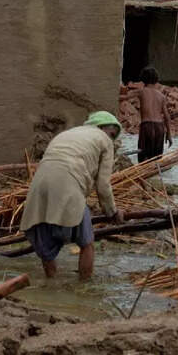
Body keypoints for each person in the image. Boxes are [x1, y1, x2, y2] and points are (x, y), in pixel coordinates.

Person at [19, 111, 125, 280]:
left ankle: (51, 285)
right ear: (101, 128)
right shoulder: (104, 141)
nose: (111, 139)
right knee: (86, 242)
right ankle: (84, 287)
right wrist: (112, 212)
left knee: (46, 248)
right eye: (112, 134)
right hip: (69, 182)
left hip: (39, 183)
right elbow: (103, 186)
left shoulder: (68, 134)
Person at [125, 66, 173, 162]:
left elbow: (124, 97)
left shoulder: (141, 91)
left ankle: (143, 176)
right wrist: (169, 134)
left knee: (143, 159)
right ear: (156, 79)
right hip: (160, 127)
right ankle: (155, 176)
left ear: (142, 79)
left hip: (147, 126)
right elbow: (167, 117)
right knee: (157, 159)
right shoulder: (161, 96)